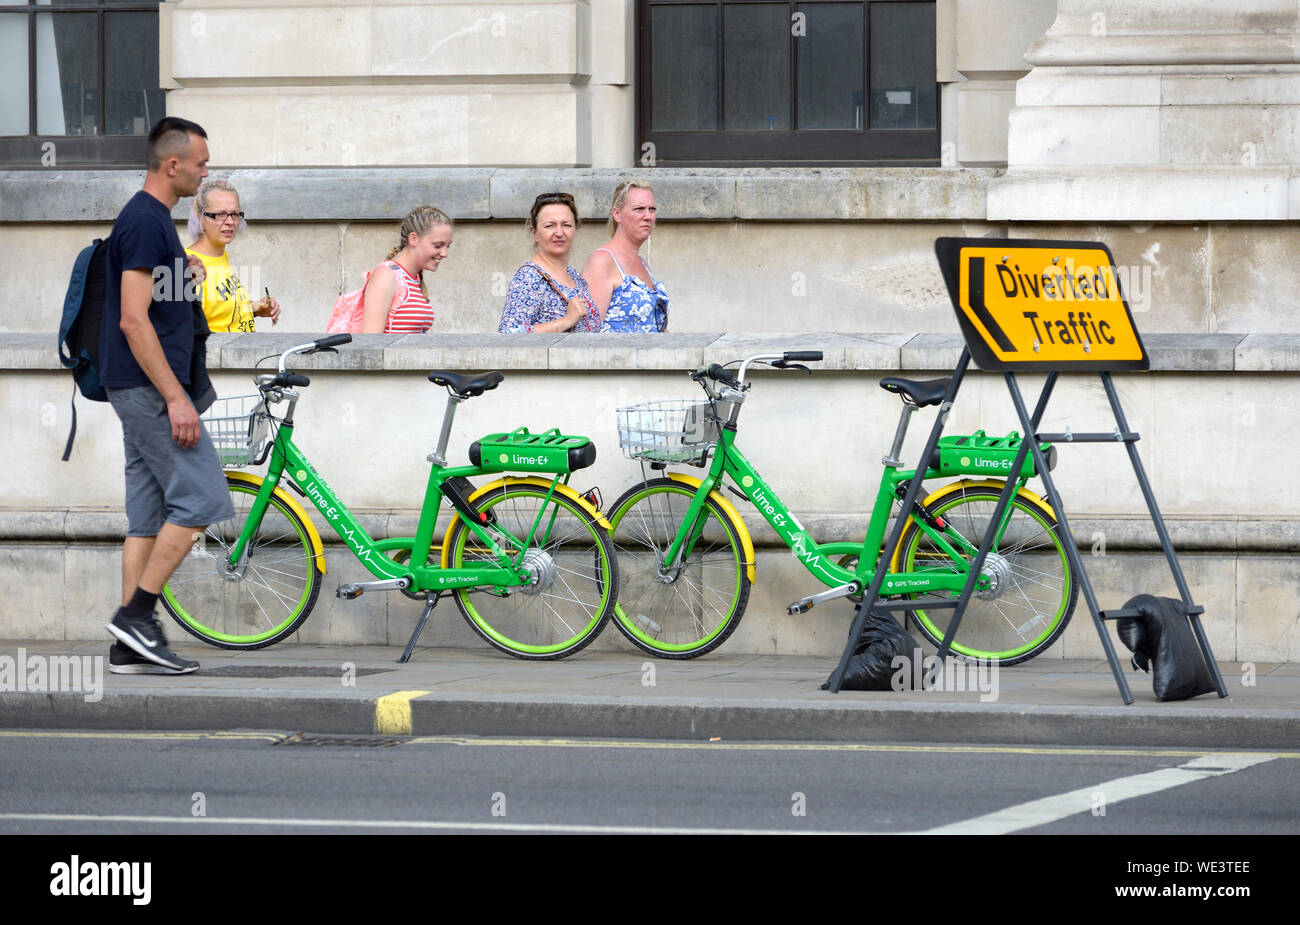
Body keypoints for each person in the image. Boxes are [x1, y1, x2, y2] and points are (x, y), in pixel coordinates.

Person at [101, 116, 234, 675]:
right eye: (201, 164)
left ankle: (127, 649)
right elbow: (134, 321)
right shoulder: (143, 222)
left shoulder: (156, 223)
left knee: (147, 517)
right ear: (172, 164)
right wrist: (177, 399)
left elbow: (154, 305)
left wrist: (186, 283)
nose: (206, 174)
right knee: (204, 498)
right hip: (150, 392)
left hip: (138, 389)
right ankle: (137, 617)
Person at [498, 192, 603, 334]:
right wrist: (566, 321)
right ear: (534, 233)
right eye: (550, 226)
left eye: (566, 225)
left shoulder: (575, 277)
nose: (559, 233)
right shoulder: (529, 277)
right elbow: (507, 335)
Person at [185, 179, 280, 332]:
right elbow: (182, 329)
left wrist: (255, 309)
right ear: (200, 218)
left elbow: (218, 315)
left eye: (235, 214)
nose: (230, 221)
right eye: (220, 214)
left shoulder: (220, 256)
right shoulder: (189, 265)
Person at [581, 179, 669, 332]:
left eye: (652, 209)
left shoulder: (642, 264)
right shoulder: (602, 261)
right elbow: (588, 333)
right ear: (617, 214)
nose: (647, 216)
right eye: (639, 209)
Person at [360, 205, 453, 334]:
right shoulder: (386, 276)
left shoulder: (414, 278)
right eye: (438, 245)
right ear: (413, 239)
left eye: (448, 246)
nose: (444, 253)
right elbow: (370, 342)